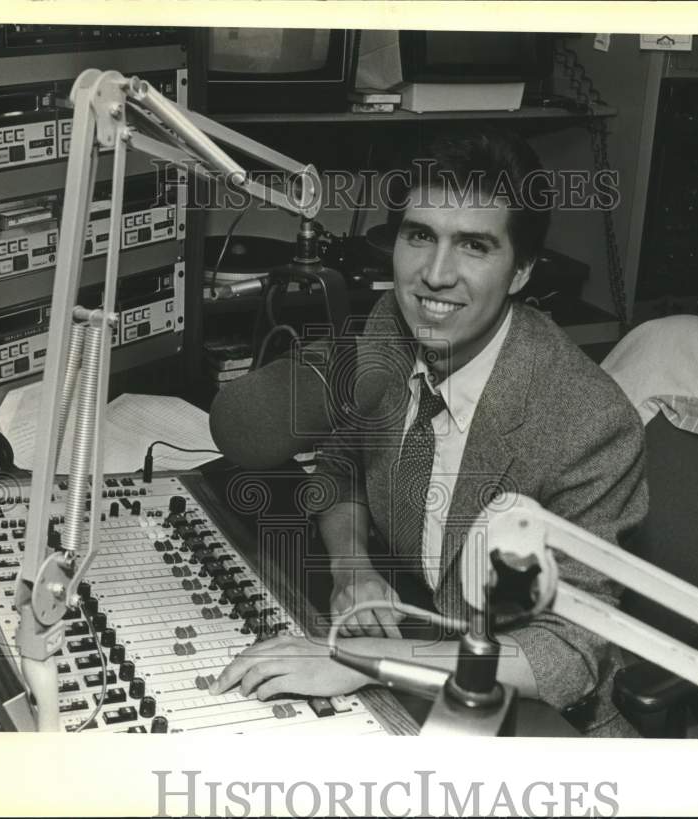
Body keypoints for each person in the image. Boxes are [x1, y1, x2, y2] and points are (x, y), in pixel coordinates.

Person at [212, 127, 648, 736]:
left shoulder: (590, 424)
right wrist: (353, 565)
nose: (434, 276)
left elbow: (569, 653)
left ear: (520, 270)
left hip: (538, 718)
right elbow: (342, 467)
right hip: (422, 634)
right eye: (419, 236)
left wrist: (367, 661)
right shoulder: (392, 324)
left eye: (473, 245)